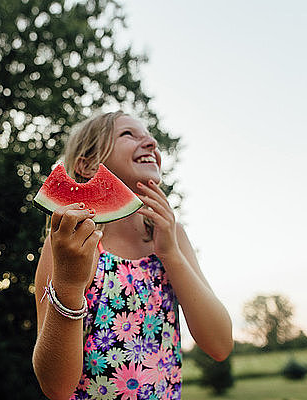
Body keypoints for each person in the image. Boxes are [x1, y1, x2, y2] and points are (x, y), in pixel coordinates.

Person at [32, 111, 233, 400]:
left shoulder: (171, 236)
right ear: (87, 165)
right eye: (129, 134)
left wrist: (170, 253)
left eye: (148, 134)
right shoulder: (70, 244)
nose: (151, 141)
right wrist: (69, 285)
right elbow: (55, 387)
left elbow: (220, 345)